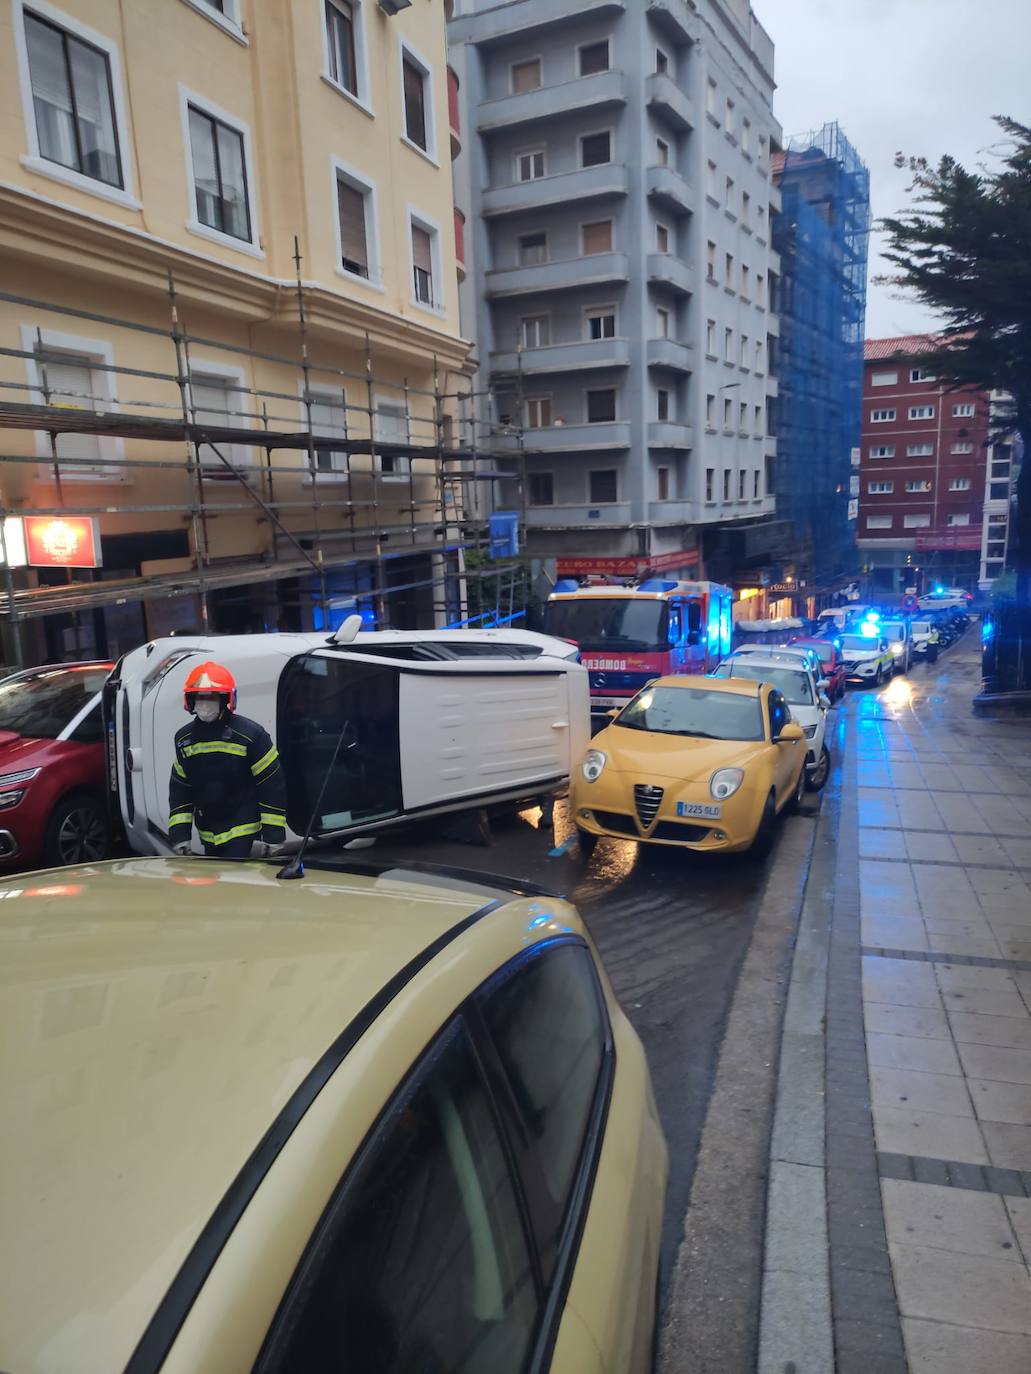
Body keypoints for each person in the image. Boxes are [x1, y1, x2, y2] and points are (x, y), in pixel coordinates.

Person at [168, 661, 287, 859]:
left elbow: (272, 784)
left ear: (226, 700)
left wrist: (273, 835)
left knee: (235, 878)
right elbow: (180, 789)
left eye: (211, 697)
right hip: (208, 829)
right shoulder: (184, 740)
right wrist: (179, 835)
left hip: (242, 826)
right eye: (200, 697)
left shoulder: (251, 736)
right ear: (191, 700)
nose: (205, 704)